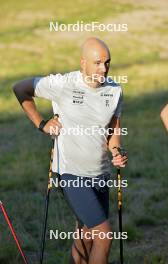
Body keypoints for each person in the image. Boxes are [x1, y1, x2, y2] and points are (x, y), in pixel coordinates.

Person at [13, 37, 128, 264]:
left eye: (107, 63)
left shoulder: (114, 91)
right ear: (82, 63)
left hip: (100, 174)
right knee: (104, 237)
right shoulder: (63, 84)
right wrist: (42, 123)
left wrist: (116, 152)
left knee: (86, 236)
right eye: (97, 63)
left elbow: (113, 129)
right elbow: (20, 89)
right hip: (71, 174)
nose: (103, 69)